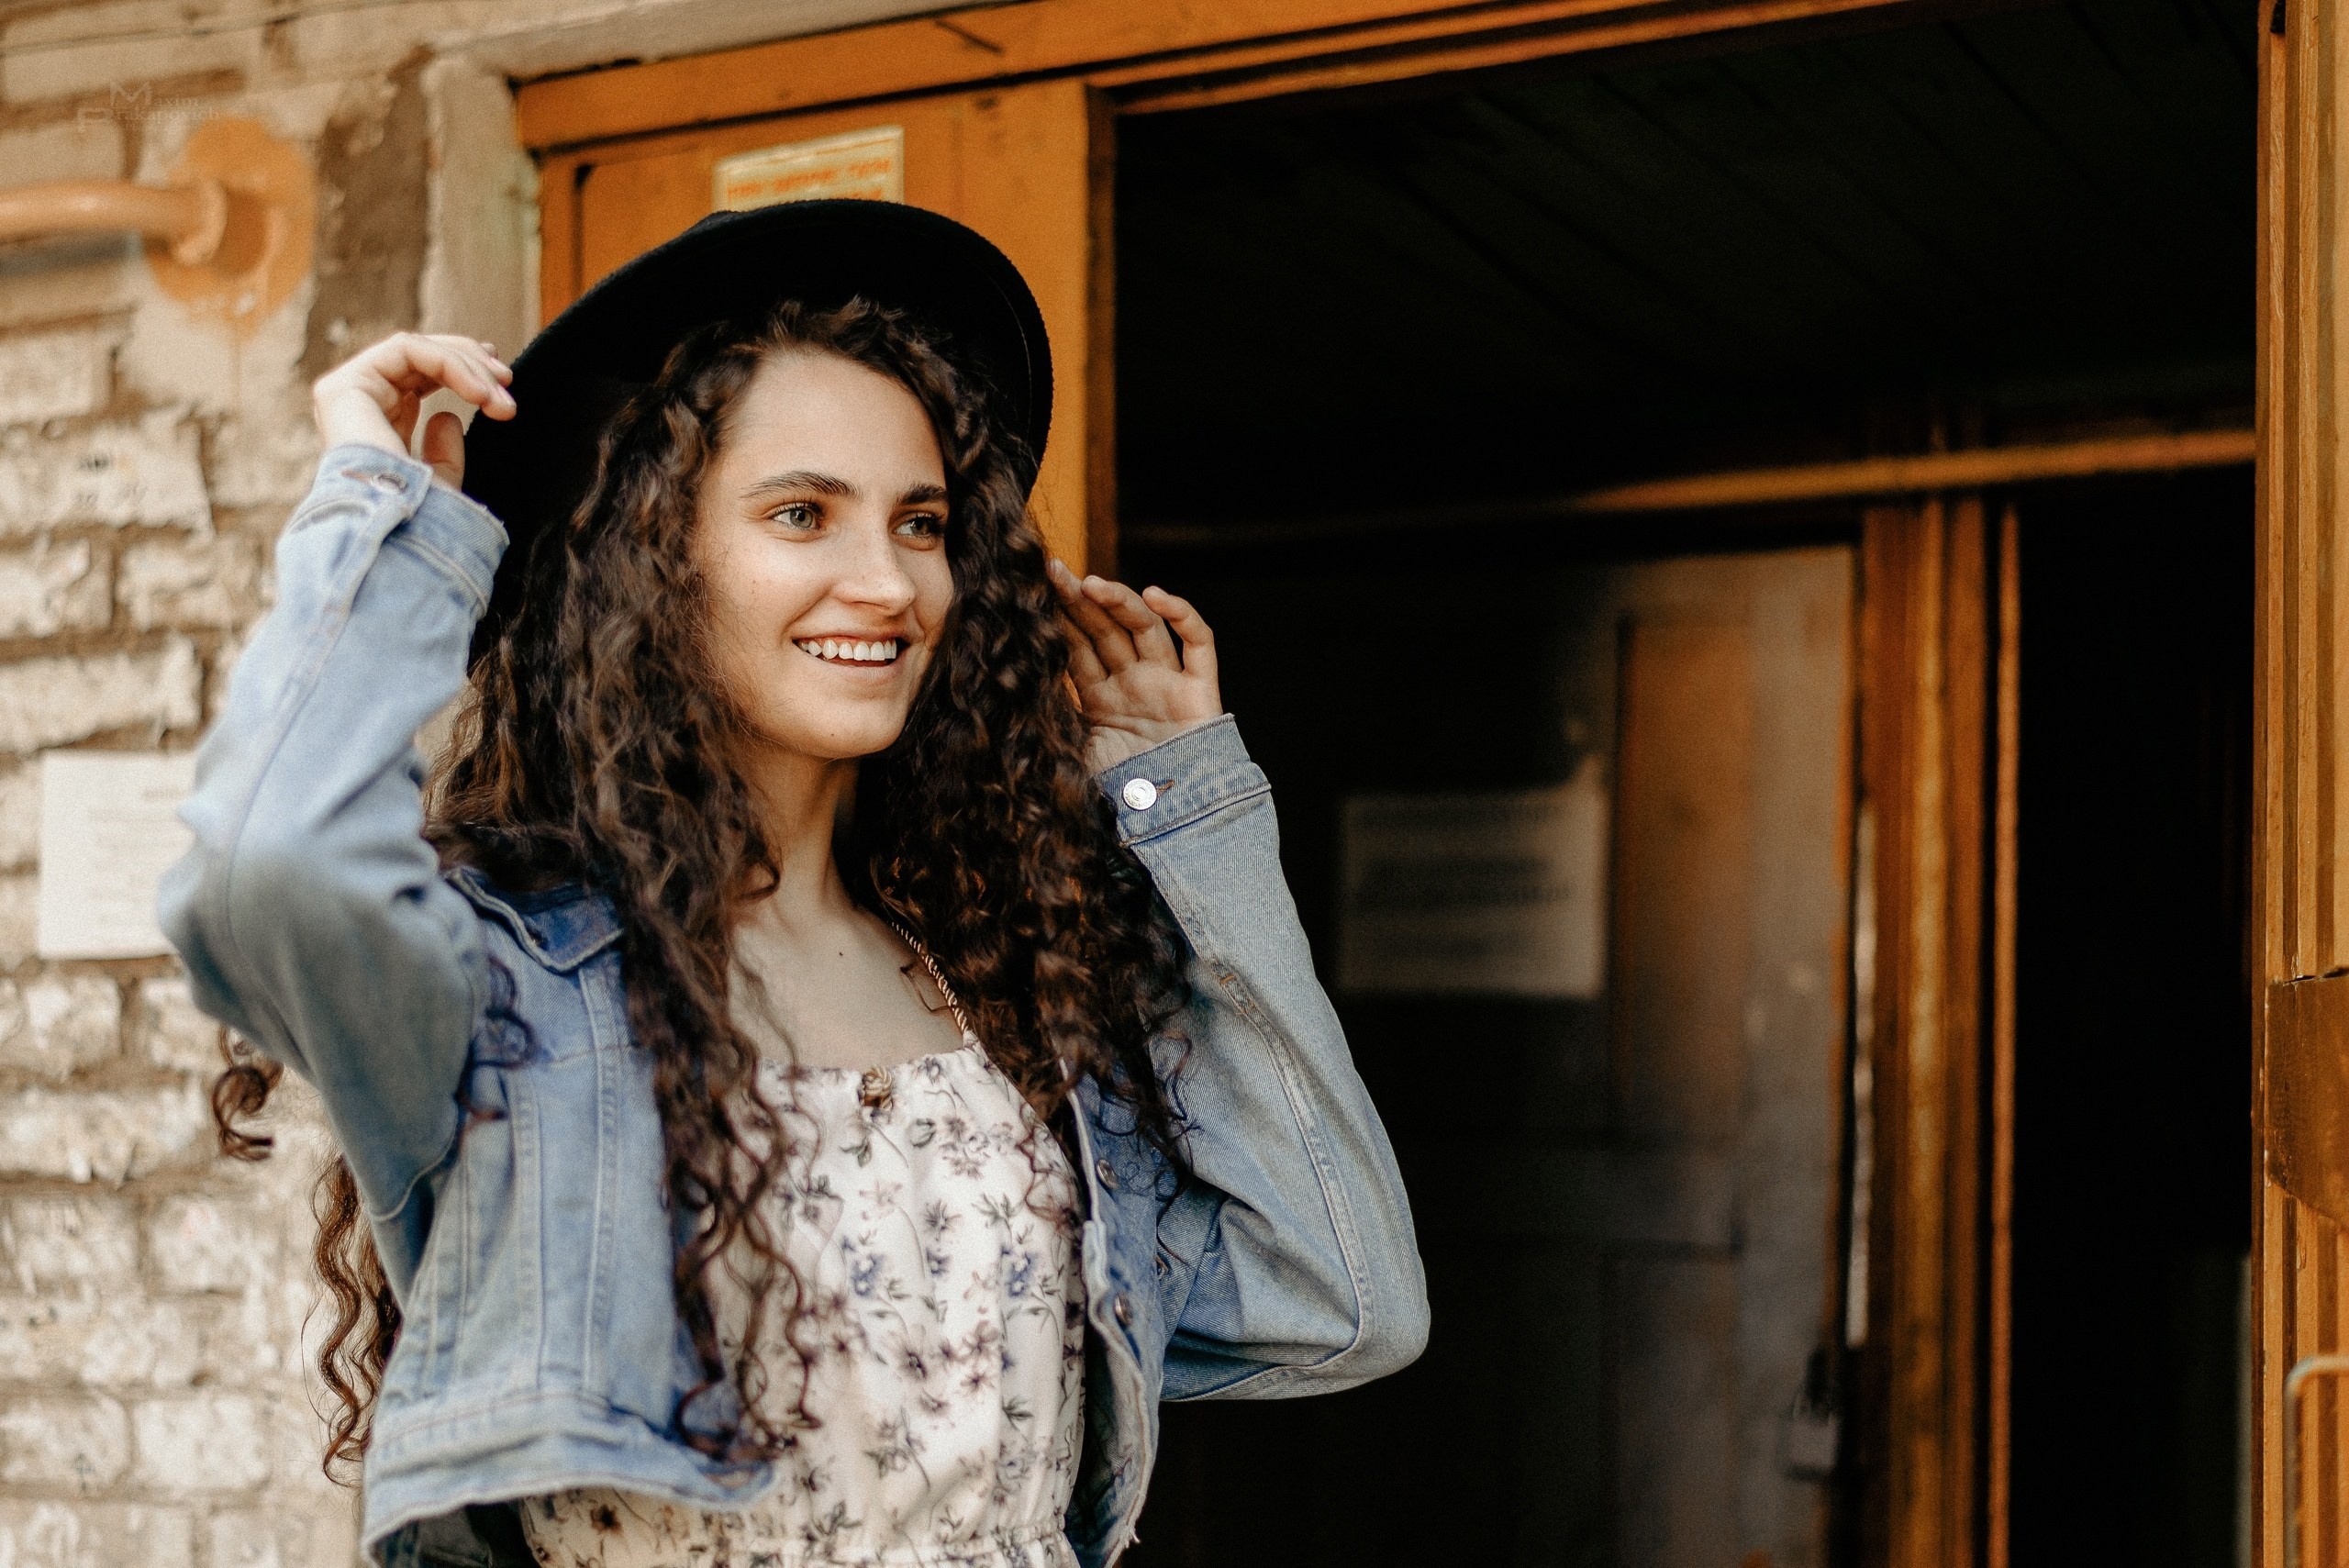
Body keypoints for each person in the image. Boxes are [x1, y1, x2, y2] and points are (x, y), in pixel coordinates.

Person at [160, 200, 1427, 1568]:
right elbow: (259, 866)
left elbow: (1344, 1300)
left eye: (922, 521)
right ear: (653, 558)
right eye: (803, 513)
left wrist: (1188, 812)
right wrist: (389, 519)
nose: (885, 581)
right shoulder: (510, 983)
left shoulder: (1005, 988)